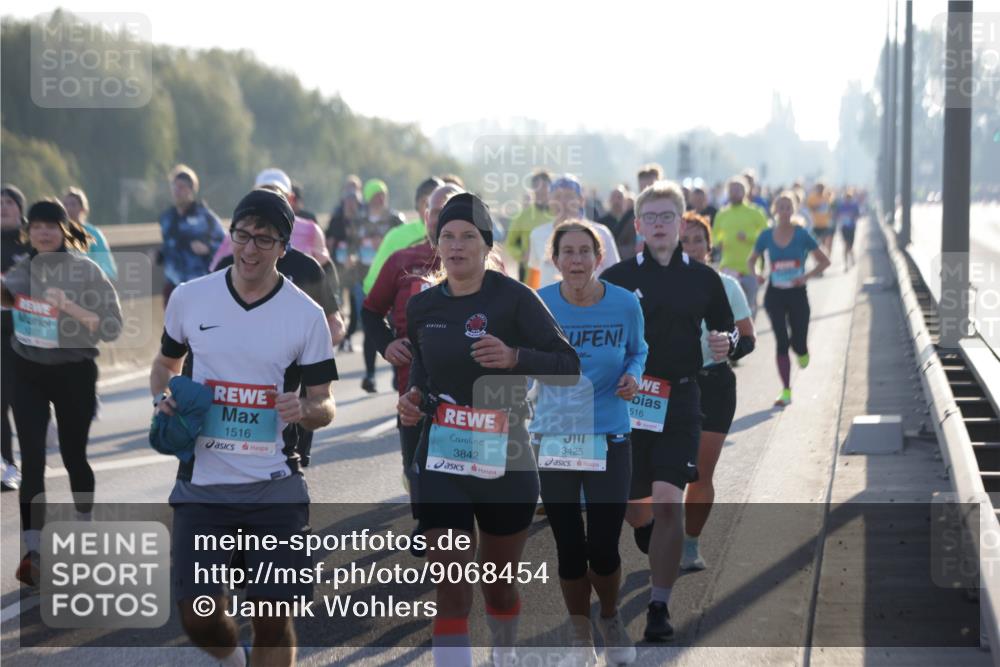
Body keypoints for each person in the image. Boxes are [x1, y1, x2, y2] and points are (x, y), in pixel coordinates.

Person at [151, 188, 337, 667]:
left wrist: (305, 409)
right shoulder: (191, 298)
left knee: (273, 617)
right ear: (231, 234)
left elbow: (325, 403)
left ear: (283, 248)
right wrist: (163, 398)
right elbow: (165, 363)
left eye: (265, 239)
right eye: (243, 235)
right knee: (196, 614)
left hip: (273, 484)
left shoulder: (306, 315)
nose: (250, 248)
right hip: (204, 483)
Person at [397, 193, 580, 667]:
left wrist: (516, 357)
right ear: (437, 245)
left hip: (507, 458)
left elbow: (568, 364)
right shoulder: (423, 306)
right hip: (444, 456)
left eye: (468, 238)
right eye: (448, 237)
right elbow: (423, 370)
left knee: (498, 586)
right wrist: (414, 399)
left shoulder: (515, 298)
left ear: (486, 246)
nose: (456, 247)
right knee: (452, 588)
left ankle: (504, 650)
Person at [601, 180, 740, 642]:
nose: (659, 226)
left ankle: (659, 607)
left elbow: (730, 332)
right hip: (628, 400)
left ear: (681, 224)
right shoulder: (618, 279)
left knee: (667, 500)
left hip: (681, 399)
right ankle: (651, 537)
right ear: (638, 225)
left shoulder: (704, 278)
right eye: (651, 218)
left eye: (668, 218)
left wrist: (727, 343)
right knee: (633, 508)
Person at [533, 220, 648, 666]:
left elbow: (639, 349)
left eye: (585, 252)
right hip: (557, 433)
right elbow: (522, 358)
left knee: (602, 545)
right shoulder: (540, 305)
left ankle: (611, 617)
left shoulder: (623, 304)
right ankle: (581, 637)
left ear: (599, 258)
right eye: (568, 252)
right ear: (555, 259)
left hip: (610, 433)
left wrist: (633, 377)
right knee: (568, 546)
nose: (577, 260)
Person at [3, 199, 122, 586]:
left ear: (64, 229)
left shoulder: (86, 271)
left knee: (74, 456)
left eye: (50, 226)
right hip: (29, 372)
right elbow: (8, 297)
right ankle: (33, 553)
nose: (43, 232)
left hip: (75, 371)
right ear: (29, 233)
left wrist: (68, 306)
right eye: (36, 226)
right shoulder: (24, 270)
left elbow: (110, 327)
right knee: (32, 459)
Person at [362, 183, 460, 544]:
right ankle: (428, 525)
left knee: (461, 482)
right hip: (414, 391)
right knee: (416, 471)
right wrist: (386, 344)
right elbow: (370, 312)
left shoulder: (488, 264)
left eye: (453, 208)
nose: (443, 217)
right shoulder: (403, 260)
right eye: (437, 211)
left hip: (469, 399)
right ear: (425, 216)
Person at [677, 213, 756, 571]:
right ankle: (658, 532)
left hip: (714, 385)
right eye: (683, 241)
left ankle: (690, 543)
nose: (690, 247)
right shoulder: (654, 288)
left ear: (710, 247)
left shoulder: (727, 285)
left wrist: (730, 346)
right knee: (661, 475)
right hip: (667, 387)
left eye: (697, 241)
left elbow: (748, 337)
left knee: (701, 473)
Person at [747, 191, 831, 407]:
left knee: (798, 342)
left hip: (797, 293)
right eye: (780, 207)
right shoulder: (766, 235)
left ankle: (802, 350)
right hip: (775, 294)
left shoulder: (802, 234)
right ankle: (785, 390)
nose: (784, 211)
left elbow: (824, 261)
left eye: (788, 207)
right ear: (775, 210)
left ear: (794, 210)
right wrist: (757, 274)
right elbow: (752, 260)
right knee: (781, 342)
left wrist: (805, 276)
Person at [353, 178, 406, 393]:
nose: (380, 198)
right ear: (368, 197)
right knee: (370, 326)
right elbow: (349, 245)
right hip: (366, 278)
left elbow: (405, 244)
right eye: (376, 194)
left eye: (383, 194)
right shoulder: (359, 220)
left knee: (396, 326)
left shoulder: (395, 219)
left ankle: (397, 373)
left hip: (393, 279)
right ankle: (370, 374)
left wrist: (383, 243)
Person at [526, 175, 619, 289]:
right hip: (548, 305)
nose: (563, 202)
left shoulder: (601, 233)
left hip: (591, 303)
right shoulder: (537, 234)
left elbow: (615, 276)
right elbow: (535, 275)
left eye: (569, 196)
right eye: (557, 196)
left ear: (581, 200)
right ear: (549, 201)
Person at [362, 176, 444, 295]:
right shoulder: (396, 236)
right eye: (428, 204)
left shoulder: (460, 235)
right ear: (418, 205)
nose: (437, 209)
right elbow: (371, 284)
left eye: (444, 203)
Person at [158, 164, 225, 307]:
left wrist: (208, 249)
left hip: (198, 287)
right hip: (172, 287)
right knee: (171, 329)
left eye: (181, 187)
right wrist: (160, 255)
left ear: (191, 189)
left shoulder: (205, 217)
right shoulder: (166, 218)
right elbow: (169, 246)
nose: (177, 191)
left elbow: (225, 245)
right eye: (174, 186)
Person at [1, 185, 30, 491]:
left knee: (24, 404)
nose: (3, 207)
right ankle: (8, 463)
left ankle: (32, 454)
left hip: (29, 335)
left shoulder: (31, 241)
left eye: (9, 202)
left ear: (20, 209)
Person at [712, 176, 769, 318]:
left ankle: (749, 336)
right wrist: (719, 242)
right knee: (729, 306)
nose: (734, 193)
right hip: (728, 267)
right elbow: (713, 236)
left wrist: (749, 237)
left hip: (750, 267)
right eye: (731, 190)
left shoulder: (755, 212)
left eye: (738, 189)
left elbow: (767, 237)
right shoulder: (722, 213)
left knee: (750, 306)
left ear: (746, 191)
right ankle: (735, 336)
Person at [505, 169, 554, 278]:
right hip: (529, 274)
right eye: (537, 187)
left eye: (545, 186)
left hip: (554, 273)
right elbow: (510, 244)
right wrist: (522, 255)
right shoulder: (521, 216)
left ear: (551, 188)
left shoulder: (558, 214)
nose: (541, 191)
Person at [62, 187, 118, 280]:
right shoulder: (57, 233)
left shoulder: (93, 234)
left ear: (83, 208)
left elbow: (107, 267)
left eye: (73, 204)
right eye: (65, 205)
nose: (68, 208)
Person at [598, 185, 636, 260]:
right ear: (609, 200)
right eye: (613, 198)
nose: (616, 201)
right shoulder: (601, 224)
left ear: (625, 200)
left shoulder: (632, 221)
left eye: (619, 197)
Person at [805, 182, 835, 262]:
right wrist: (817, 207)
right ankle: (819, 262)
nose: (821, 190)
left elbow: (831, 207)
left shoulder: (827, 197)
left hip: (825, 224)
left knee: (825, 245)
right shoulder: (812, 198)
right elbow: (809, 208)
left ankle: (824, 260)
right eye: (819, 188)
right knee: (817, 246)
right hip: (815, 225)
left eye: (822, 188)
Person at [835, 189, 861, 269]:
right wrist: (842, 217)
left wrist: (852, 217)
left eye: (849, 198)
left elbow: (858, 216)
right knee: (846, 245)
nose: (847, 200)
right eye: (846, 198)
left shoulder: (854, 206)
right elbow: (836, 215)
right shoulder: (841, 206)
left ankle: (853, 258)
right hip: (844, 228)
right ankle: (846, 264)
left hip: (852, 227)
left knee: (850, 246)